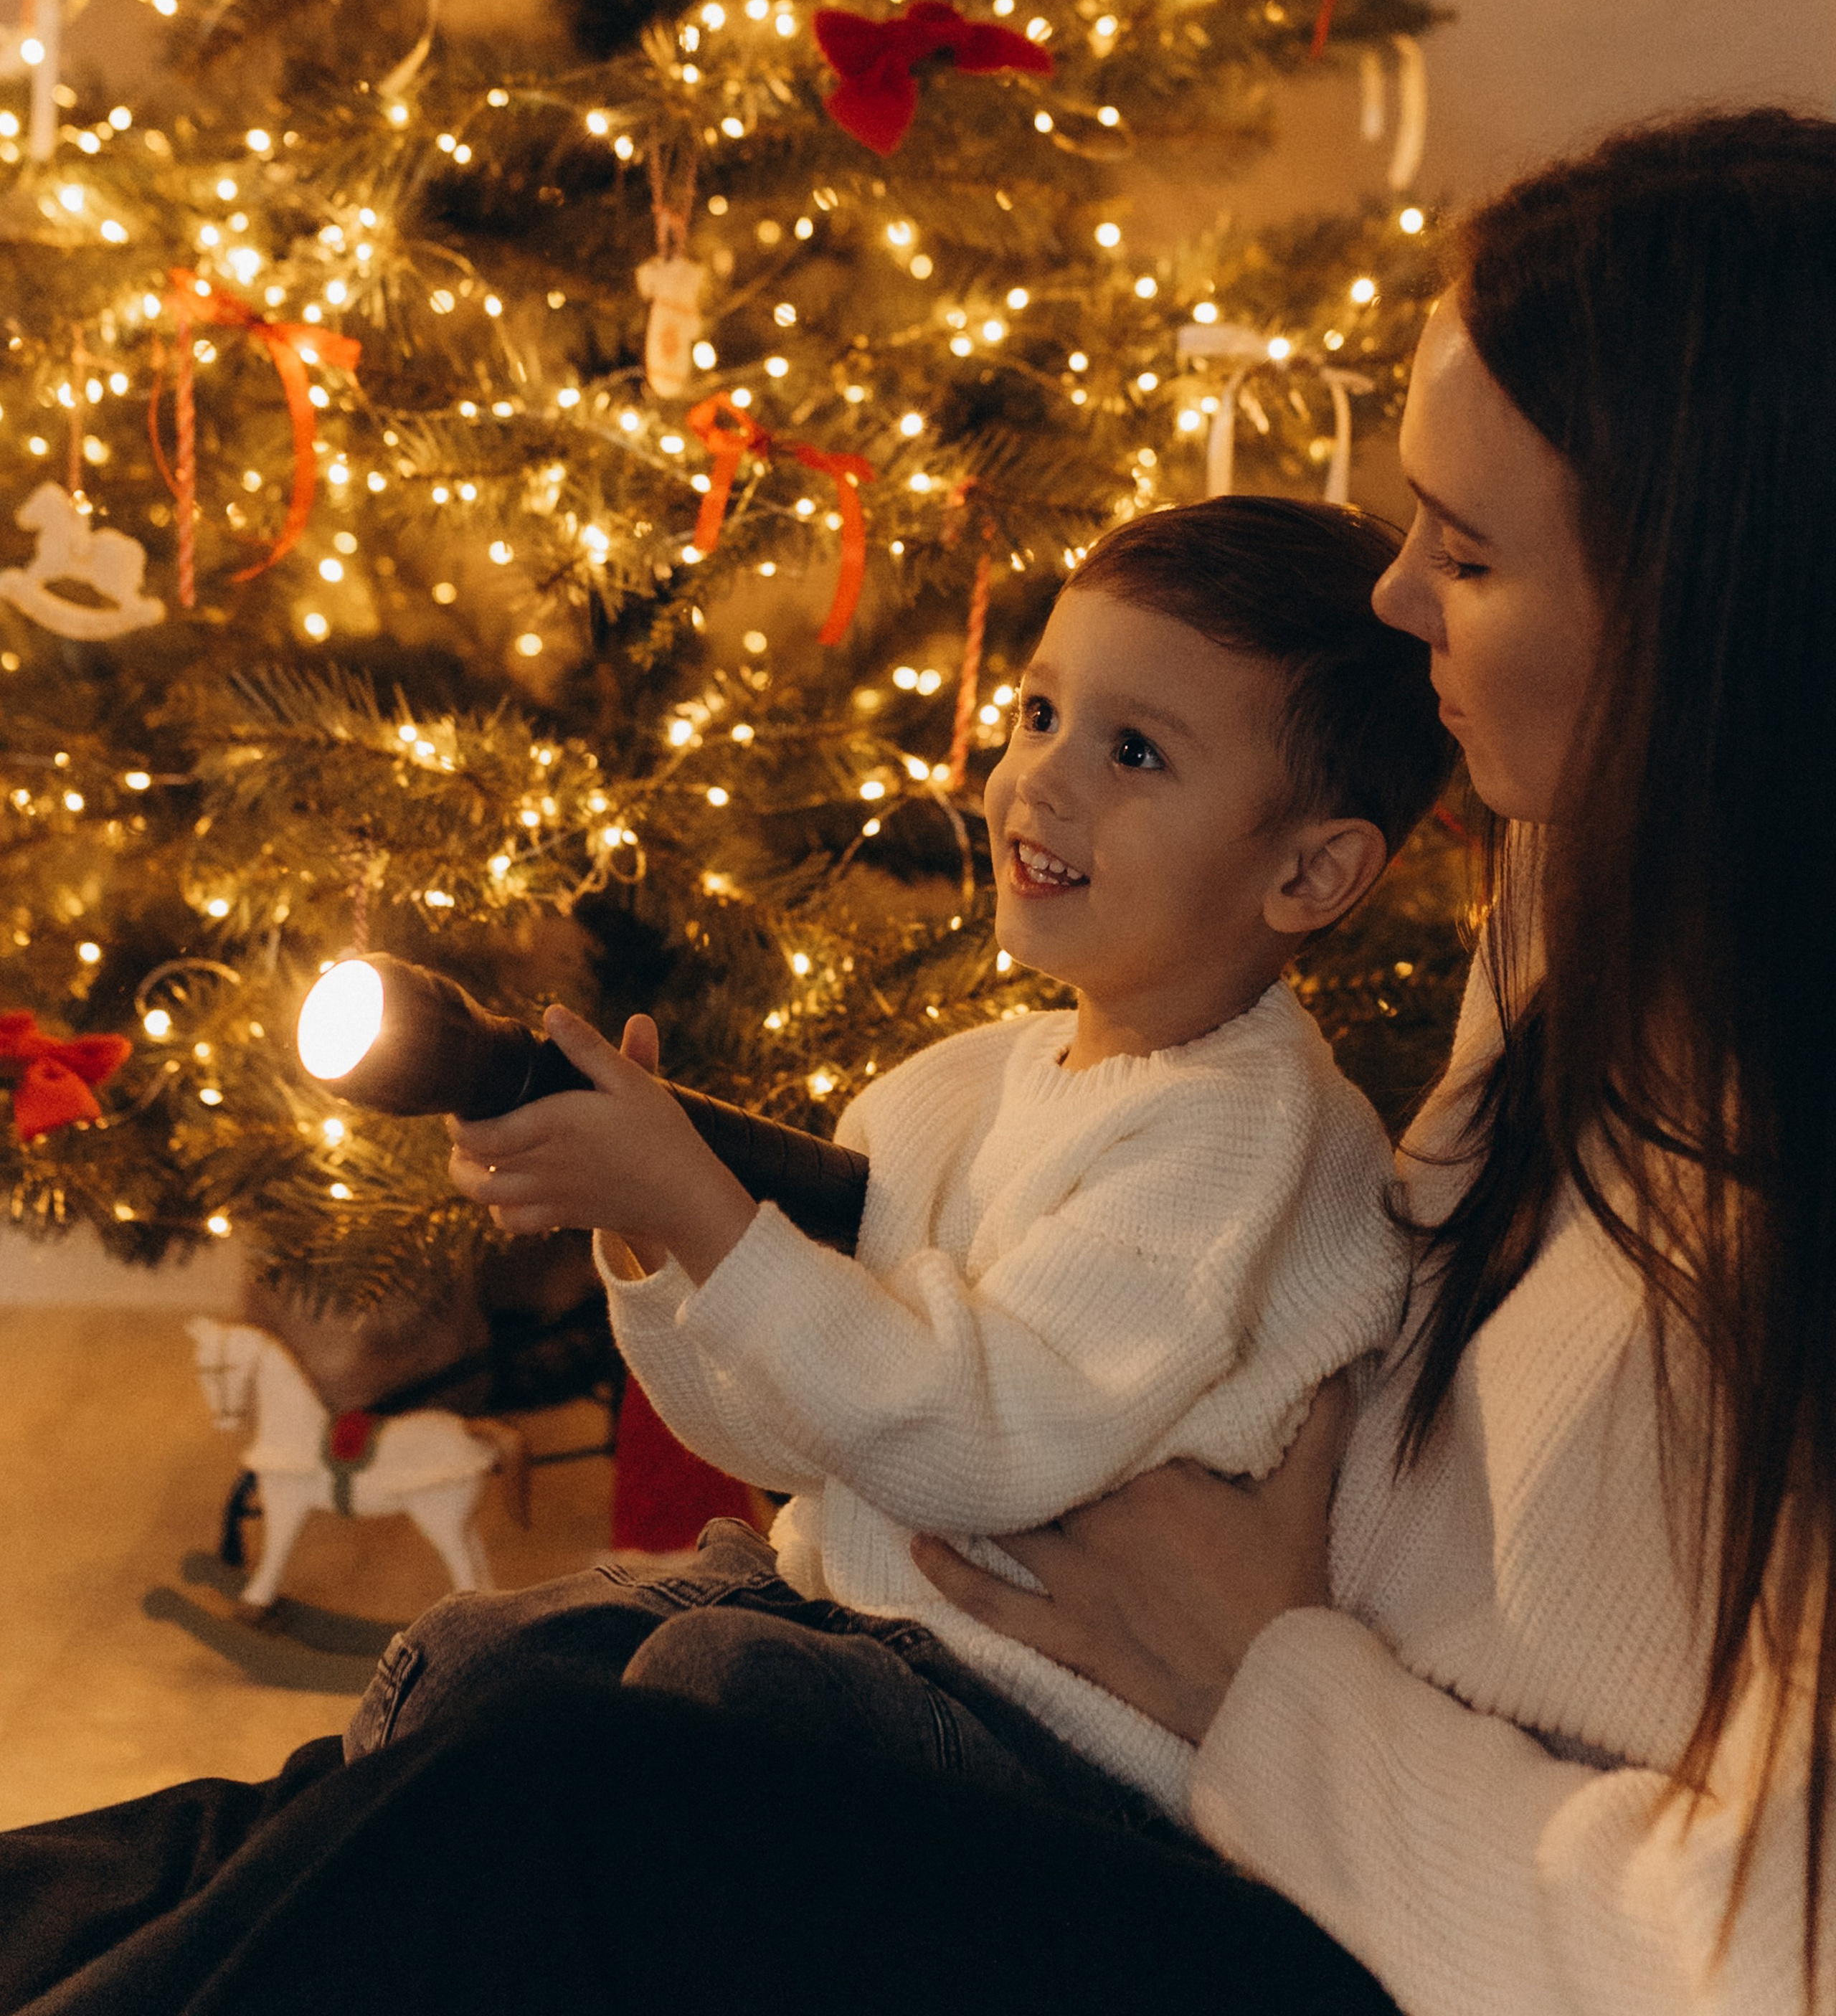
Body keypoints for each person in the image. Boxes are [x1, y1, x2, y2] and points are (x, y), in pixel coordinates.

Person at [4, 105, 1830, 2016]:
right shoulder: (1591, 898)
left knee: (563, 1802)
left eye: (1463, 553)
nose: (1394, 601)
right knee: (305, 1815)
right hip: (1212, 1724)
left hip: (1351, 1898)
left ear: (1716, 611)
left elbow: (1754, 1965)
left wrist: (1266, 1684)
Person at [348, 495, 1452, 1835]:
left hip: (1052, 1743)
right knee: (478, 1659)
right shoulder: (960, 1089)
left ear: (1310, 872)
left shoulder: (1246, 1132)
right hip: (857, 1628)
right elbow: (786, 1434)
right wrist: (655, 1240)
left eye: (1136, 753)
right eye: (1039, 715)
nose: (1041, 781)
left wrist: (699, 1205)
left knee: (710, 1688)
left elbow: (977, 1443)